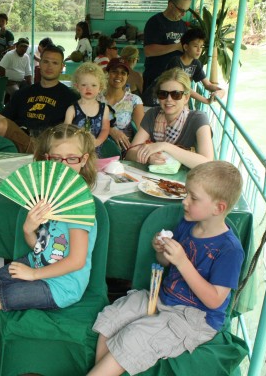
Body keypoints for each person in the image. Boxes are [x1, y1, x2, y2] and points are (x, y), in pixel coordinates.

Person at [88, 160, 245, 376]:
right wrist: (161, 250)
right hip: (161, 297)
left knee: (134, 337)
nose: (185, 202)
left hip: (194, 318)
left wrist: (183, 261)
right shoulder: (187, 224)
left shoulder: (230, 250)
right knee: (113, 317)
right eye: (186, 194)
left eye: (194, 198)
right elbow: (165, 263)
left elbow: (215, 300)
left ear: (219, 208)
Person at [0, 123, 99, 376]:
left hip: (62, 284)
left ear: (83, 160)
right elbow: (41, 247)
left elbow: (76, 261)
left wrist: (34, 275)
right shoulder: (48, 195)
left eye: (71, 159)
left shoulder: (79, 205)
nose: (63, 165)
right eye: (56, 158)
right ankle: (1, 349)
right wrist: (29, 230)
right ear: (46, 159)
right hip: (37, 263)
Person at [0, 46, 78, 153]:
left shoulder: (70, 97)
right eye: (46, 61)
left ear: (62, 66)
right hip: (19, 138)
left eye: (55, 63)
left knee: (2, 126)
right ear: (39, 64)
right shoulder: (24, 93)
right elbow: (0, 117)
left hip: (44, 146)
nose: (49, 66)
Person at [125, 68, 213, 169]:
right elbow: (130, 153)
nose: (169, 100)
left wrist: (165, 146)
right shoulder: (152, 114)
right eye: (163, 94)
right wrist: (148, 157)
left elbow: (207, 163)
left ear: (186, 98)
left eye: (176, 94)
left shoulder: (198, 119)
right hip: (154, 178)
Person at [143, 0, 192, 91]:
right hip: (156, 78)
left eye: (186, 11)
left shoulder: (183, 25)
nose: (183, 14)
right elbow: (148, 51)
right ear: (171, 5)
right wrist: (177, 46)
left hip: (175, 80)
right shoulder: (155, 22)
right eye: (181, 10)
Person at [165, 28, 225, 105]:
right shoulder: (176, 62)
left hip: (178, 100)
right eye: (195, 46)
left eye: (201, 46)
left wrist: (220, 90)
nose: (199, 50)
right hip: (166, 99)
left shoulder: (196, 63)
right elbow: (183, 87)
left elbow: (208, 84)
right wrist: (205, 100)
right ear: (186, 47)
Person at [64, 62, 111, 155]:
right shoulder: (72, 109)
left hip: (96, 152)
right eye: (84, 85)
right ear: (77, 86)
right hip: (75, 152)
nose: (88, 88)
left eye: (93, 85)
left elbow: (105, 129)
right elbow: (66, 131)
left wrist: (97, 142)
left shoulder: (104, 109)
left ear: (100, 88)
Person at [100, 58, 144, 151]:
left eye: (123, 73)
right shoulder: (96, 98)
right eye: (114, 71)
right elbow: (86, 123)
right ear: (107, 74)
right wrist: (110, 130)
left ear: (127, 77)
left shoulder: (134, 100)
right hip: (97, 147)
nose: (118, 75)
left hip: (124, 151)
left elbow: (142, 131)